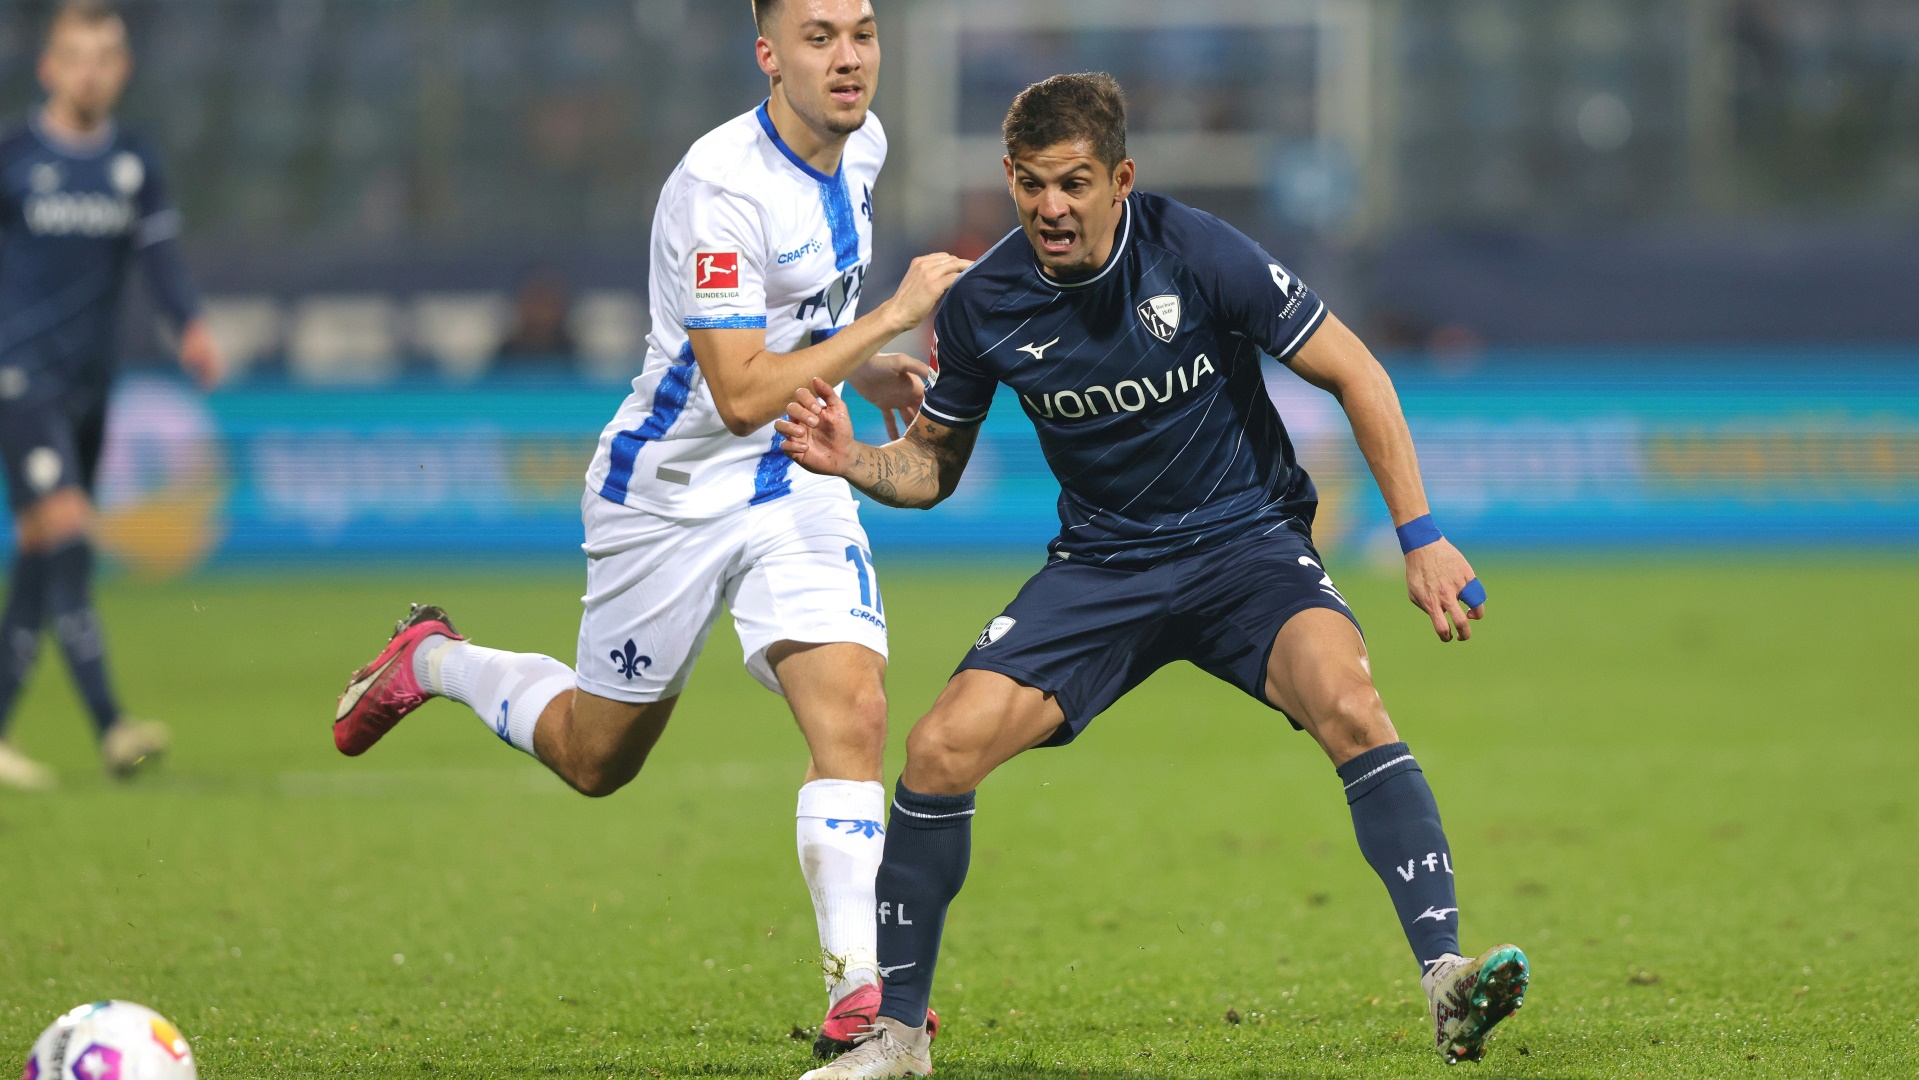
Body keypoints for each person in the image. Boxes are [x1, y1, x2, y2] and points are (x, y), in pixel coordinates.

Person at [776, 73, 1530, 1078]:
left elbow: (1356, 371)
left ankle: (1445, 979)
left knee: (1348, 701)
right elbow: (931, 467)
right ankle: (896, 1038)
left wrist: (1418, 532)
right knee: (937, 750)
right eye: (1033, 184)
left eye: (1076, 184)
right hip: (1103, 568)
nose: (1052, 207)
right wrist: (854, 463)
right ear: (1008, 179)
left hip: (1244, 547)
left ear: (1120, 179)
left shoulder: (1198, 251)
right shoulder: (981, 303)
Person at [330, 0, 965, 1057]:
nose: (848, 55)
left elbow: (790, 335)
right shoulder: (720, 186)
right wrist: (892, 319)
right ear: (768, 54)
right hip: (665, 495)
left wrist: (864, 362)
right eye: (819, 36)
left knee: (853, 708)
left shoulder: (867, 143)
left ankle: (860, 992)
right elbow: (736, 388)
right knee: (595, 757)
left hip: (794, 470)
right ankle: (432, 661)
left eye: (860, 29)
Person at [0, 0, 223, 791]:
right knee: (65, 529)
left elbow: (161, 261)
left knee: (40, 555)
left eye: (105, 56)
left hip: (91, 391)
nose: (90, 69)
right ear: (48, 68)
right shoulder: (14, 158)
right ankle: (111, 725)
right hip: (19, 380)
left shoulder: (133, 163)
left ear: (121, 71)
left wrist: (189, 327)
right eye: (77, 55)